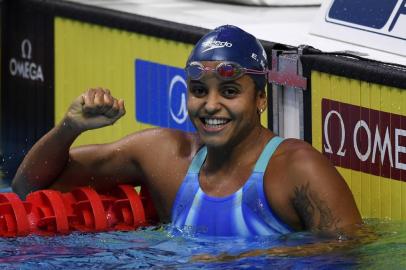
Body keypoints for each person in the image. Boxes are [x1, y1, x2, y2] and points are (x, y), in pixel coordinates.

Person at [12, 25, 361, 237]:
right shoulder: (165, 156)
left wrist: (246, 262)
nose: (210, 105)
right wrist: (69, 128)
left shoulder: (295, 169)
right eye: (198, 91)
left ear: (260, 99)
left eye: (229, 92)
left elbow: (348, 254)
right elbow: (28, 187)